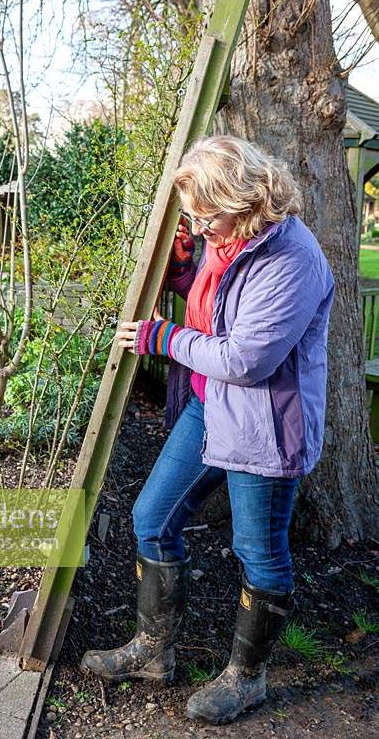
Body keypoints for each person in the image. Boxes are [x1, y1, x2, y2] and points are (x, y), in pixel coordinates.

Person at [80, 134, 335, 725]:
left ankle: (247, 677)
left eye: (205, 214)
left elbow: (246, 358)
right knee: (152, 519)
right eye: (191, 215)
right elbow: (214, 303)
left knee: (258, 552)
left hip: (263, 425)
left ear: (246, 199)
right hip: (208, 406)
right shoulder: (223, 241)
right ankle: (152, 651)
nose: (197, 225)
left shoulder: (292, 259)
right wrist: (181, 271)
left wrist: (162, 337)